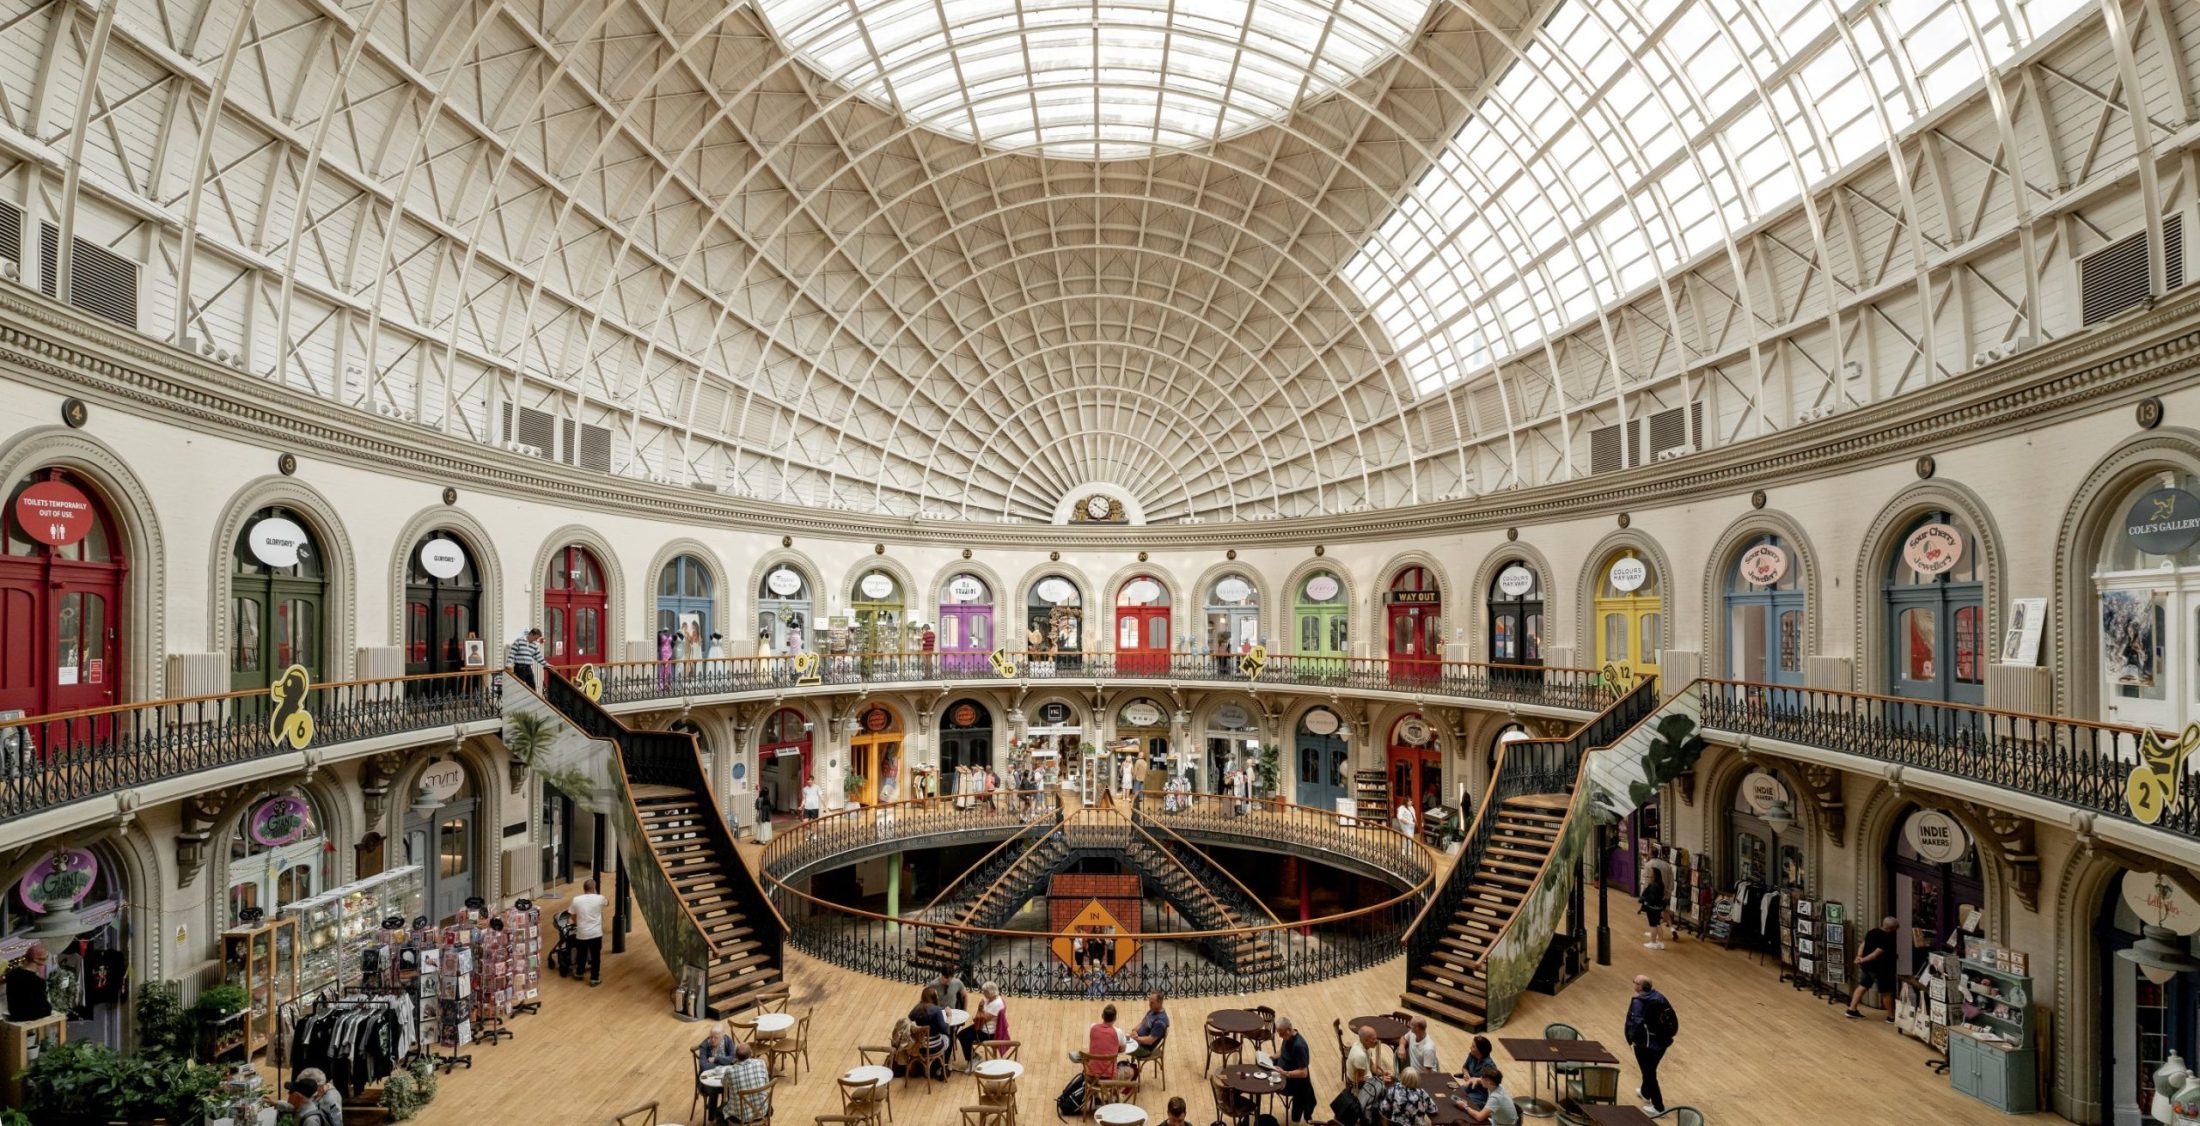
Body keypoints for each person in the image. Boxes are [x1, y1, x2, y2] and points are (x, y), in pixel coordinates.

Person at [1624, 973, 1678, 1114]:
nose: (1633, 983)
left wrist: (1630, 1038)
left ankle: (1658, 1107)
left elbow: (1634, 1021)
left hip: (1645, 1045)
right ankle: (1645, 1092)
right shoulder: (1660, 997)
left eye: (1634, 982)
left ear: (1640, 987)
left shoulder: (1639, 1002)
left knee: (1649, 1073)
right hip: (1662, 1042)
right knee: (1650, 1070)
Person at [1849, 915, 1900, 1021]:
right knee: (1886, 992)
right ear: (1890, 928)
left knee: (1863, 986)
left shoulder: (1872, 932)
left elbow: (1863, 944)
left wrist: (1859, 956)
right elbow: (1876, 954)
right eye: (1896, 928)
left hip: (1867, 967)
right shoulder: (1887, 938)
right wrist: (1863, 959)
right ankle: (1891, 1017)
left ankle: (1851, 1009)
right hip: (1881, 968)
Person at [1274, 1015, 1316, 1122]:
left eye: (1281, 1033)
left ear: (1288, 1030)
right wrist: (1270, 1057)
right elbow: (1282, 1051)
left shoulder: (1299, 1046)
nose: (1279, 1036)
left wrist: (1285, 1073)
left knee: (1266, 1083)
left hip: (1293, 1083)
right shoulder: (1287, 1037)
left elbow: (1303, 1073)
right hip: (1281, 1072)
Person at [720, 1040, 771, 1123]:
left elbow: (723, 1083)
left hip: (741, 1118)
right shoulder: (761, 1063)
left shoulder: (730, 1071)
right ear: (751, 1053)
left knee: (721, 1111)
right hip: (763, 1111)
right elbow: (766, 1082)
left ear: (736, 1056)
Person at [1348, 1021, 1394, 1111]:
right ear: (1366, 1040)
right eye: (1374, 1039)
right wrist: (1380, 1080)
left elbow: (1371, 1064)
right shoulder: (1360, 1055)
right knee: (1391, 1092)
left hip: (1368, 1079)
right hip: (1362, 1086)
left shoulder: (1365, 1046)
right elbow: (1360, 1080)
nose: (1377, 1042)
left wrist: (1382, 1073)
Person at [1073, 1002, 1126, 1079]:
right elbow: (1122, 1049)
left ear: (1102, 1016)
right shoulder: (1118, 1032)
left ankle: (1095, 1089)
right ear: (1115, 1018)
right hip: (1109, 1077)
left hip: (1091, 1076)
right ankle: (1114, 1090)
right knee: (1130, 1071)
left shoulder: (1093, 1027)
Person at [571, 877, 607, 986]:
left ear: (584, 888)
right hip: (596, 933)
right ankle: (594, 978)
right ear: (594, 888)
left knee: (581, 954)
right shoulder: (600, 898)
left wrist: (577, 923)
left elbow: (572, 915)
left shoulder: (576, 900)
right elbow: (607, 903)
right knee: (596, 956)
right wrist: (596, 894)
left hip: (582, 932)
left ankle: (579, 973)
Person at [909, 986, 952, 1077]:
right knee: (948, 1038)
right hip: (934, 1047)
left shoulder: (917, 1008)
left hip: (919, 1047)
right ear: (933, 997)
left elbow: (910, 1018)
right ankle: (942, 1068)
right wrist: (949, 1017)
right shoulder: (936, 1010)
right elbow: (945, 1029)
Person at [1124, 990, 1169, 1076]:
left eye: (1152, 1003)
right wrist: (1134, 1031)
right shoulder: (1152, 1011)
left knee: (1120, 1046)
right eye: (1149, 1002)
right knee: (1118, 1040)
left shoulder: (1160, 1021)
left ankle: (1111, 1072)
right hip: (1137, 1041)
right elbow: (1142, 1023)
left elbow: (1150, 1040)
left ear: (1159, 1003)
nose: (1149, 1004)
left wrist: (1136, 1039)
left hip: (1145, 1049)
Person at [4, 945, 51, 1020]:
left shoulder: (12, 974)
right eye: (45, 958)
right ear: (37, 960)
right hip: (29, 1016)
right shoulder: (38, 981)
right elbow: (42, 1006)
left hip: (14, 1014)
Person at [1639, 865, 1671, 950]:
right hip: (1658, 907)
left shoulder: (1653, 885)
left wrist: (1645, 901)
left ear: (1654, 875)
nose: (1649, 875)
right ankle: (1660, 942)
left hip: (1652, 907)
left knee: (1653, 925)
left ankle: (1653, 942)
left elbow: (1650, 897)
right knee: (1657, 924)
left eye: (1650, 874)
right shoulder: (1661, 884)